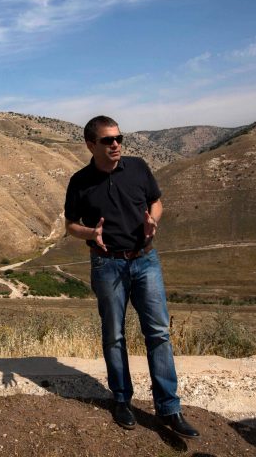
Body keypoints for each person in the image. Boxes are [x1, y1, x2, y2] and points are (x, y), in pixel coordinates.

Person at [64, 115, 199, 438]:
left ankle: (169, 408)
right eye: (108, 140)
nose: (116, 145)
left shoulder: (137, 168)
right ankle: (122, 400)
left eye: (119, 139)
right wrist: (90, 233)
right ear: (90, 145)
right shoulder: (79, 181)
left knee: (158, 333)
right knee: (114, 335)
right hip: (106, 265)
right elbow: (70, 225)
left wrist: (153, 221)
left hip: (145, 261)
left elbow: (156, 202)